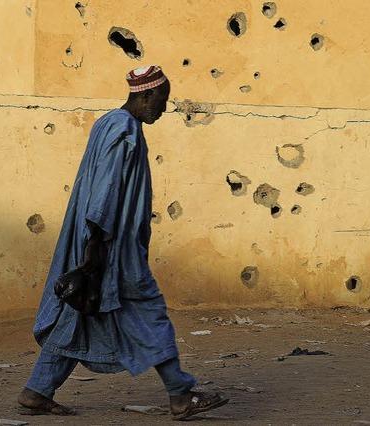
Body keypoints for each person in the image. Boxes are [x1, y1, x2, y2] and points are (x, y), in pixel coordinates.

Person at [17, 66, 228, 420]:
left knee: (79, 314)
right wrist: (95, 253)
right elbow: (105, 193)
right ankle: (180, 394)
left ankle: (36, 391)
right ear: (145, 96)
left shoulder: (107, 123)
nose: (163, 108)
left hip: (102, 244)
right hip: (113, 249)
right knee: (150, 314)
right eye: (161, 100)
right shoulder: (124, 129)